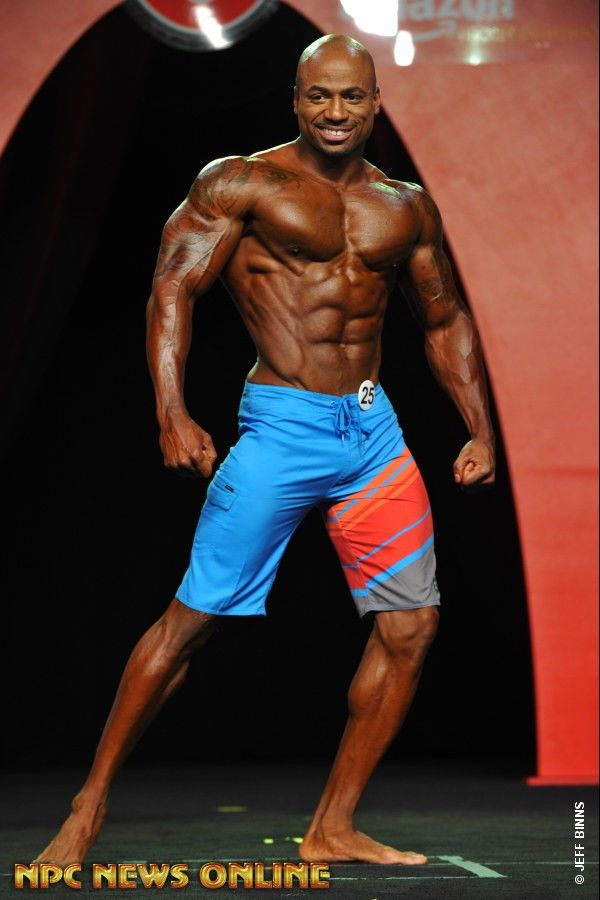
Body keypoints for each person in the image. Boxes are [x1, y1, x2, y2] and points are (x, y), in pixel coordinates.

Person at [34, 33, 495, 867]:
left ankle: (332, 827)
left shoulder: (406, 205)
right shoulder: (241, 182)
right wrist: (170, 411)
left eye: (351, 96)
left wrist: (480, 427)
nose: (334, 111)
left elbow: (443, 318)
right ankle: (88, 803)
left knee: (412, 627)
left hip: (372, 434)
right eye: (319, 95)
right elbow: (173, 286)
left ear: (376, 103)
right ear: (295, 98)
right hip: (282, 429)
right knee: (192, 623)